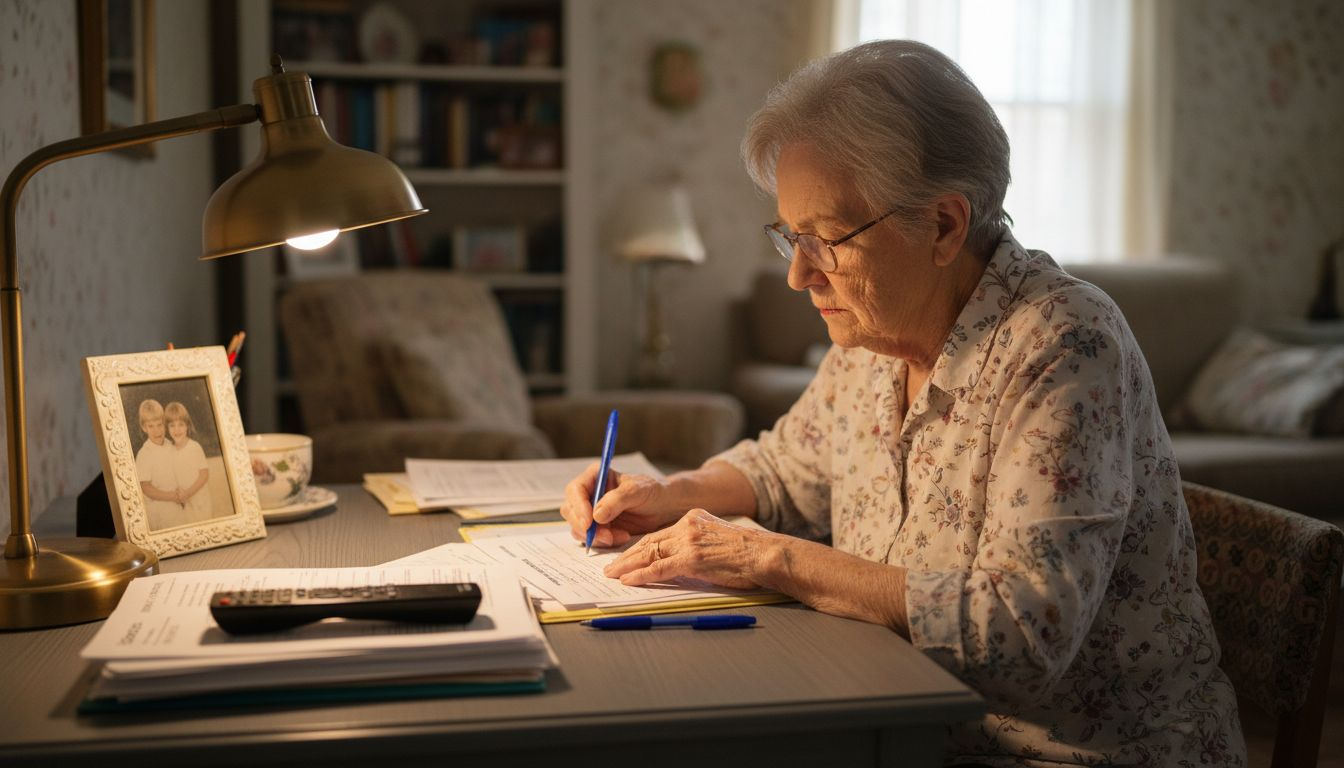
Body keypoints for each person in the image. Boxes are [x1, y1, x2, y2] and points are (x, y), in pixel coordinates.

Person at [561, 40, 1244, 766]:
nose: (798, 275)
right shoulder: (874, 335)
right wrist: (671, 494)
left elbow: (1020, 635)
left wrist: (772, 559)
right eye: (791, 237)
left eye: (825, 240)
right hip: (899, 720)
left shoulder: (1063, 343)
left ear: (944, 225)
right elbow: (788, 468)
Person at [133, 398, 184, 530]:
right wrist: (171, 496)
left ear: (164, 424)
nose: (157, 431)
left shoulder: (170, 444)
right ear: (144, 428)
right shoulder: (144, 454)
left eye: (159, 425)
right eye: (151, 426)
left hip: (177, 501)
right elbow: (146, 488)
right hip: (159, 506)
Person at [164, 401, 212, 523]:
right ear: (167, 428)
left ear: (187, 425)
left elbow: (204, 475)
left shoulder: (194, 447)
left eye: (181, 424)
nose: (177, 430)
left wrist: (189, 493)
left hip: (199, 499)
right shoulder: (170, 450)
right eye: (172, 425)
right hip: (183, 502)